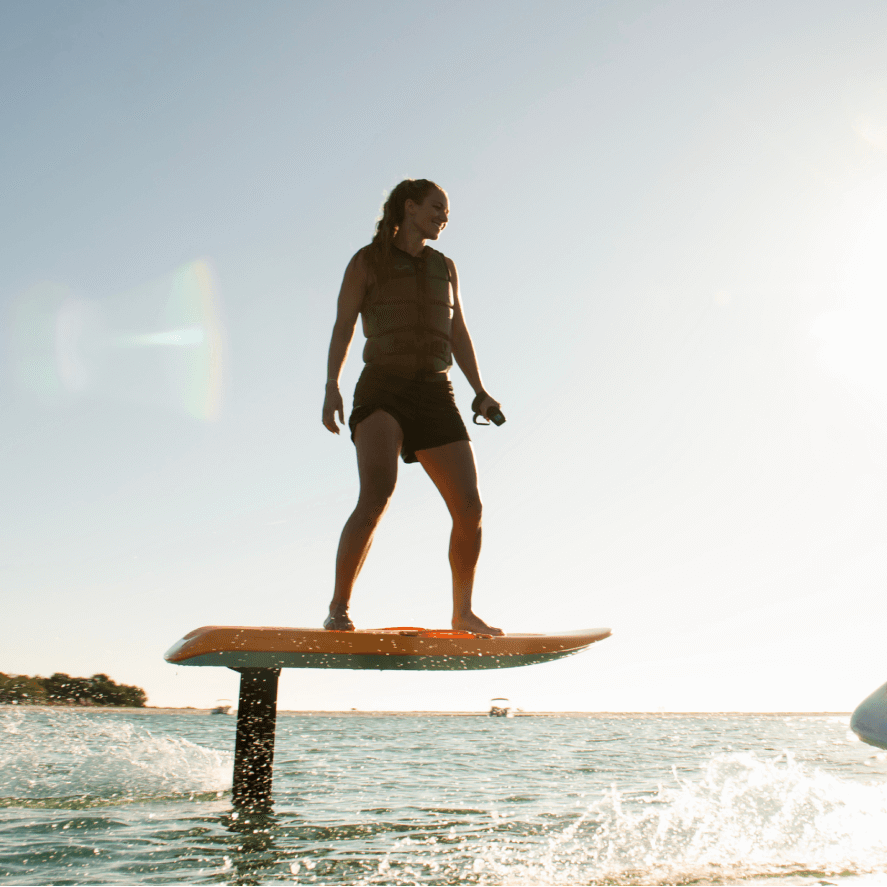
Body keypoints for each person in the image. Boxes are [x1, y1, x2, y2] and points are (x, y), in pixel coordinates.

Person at [321, 178, 504, 636]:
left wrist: (480, 390)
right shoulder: (368, 261)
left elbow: (457, 332)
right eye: (437, 208)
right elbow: (343, 325)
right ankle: (339, 608)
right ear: (409, 207)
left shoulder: (446, 267)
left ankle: (463, 613)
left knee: (470, 508)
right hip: (383, 387)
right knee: (377, 493)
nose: (444, 217)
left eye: (447, 212)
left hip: (435, 391)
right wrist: (332, 386)